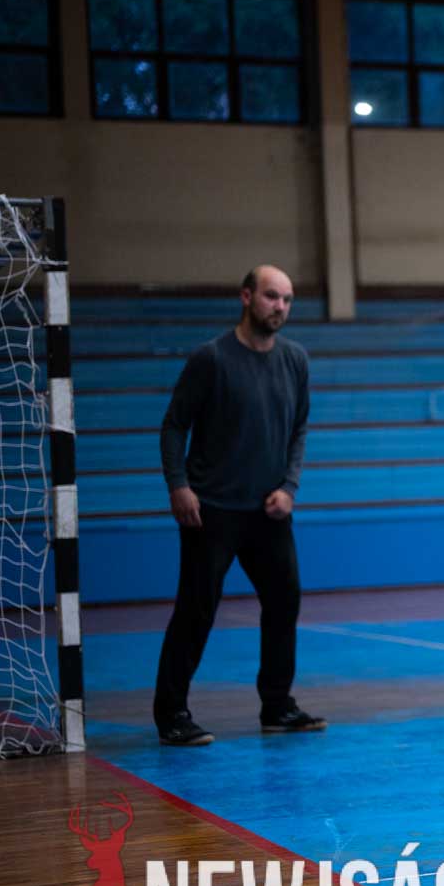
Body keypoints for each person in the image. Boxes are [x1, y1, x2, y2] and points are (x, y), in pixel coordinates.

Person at [153, 265, 324, 747]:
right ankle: (171, 713)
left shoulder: (295, 360)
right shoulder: (211, 358)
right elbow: (174, 425)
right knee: (197, 609)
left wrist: (289, 487)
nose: (280, 307)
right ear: (246, 297)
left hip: (269, 510)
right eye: (271, 296)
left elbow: (299, 429)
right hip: (211, 509)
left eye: (287, 299)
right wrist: (178, 485)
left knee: (284, 600)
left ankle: (277, 706)